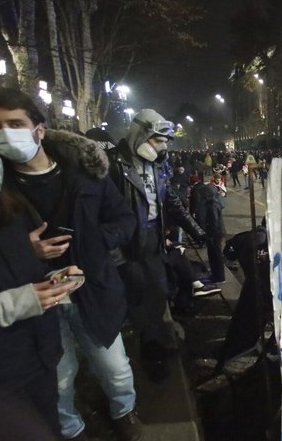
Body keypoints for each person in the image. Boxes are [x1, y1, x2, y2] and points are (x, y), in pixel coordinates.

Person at [0, 87, 140, 441]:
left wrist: (94, 242)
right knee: (58, 374)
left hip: (94, 289)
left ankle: (124, 410)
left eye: (15, 123)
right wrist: (23, 251)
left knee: (115, 366)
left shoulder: (85, 174)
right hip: (33, 301)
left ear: (39, 129)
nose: (4, 133)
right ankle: (70, 429)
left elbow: (123, 219)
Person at [107, 109, 205, 381]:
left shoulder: (158, 164)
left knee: (158, 291)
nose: (162, 146)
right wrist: (116, 253)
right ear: (141, 134)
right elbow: (102, 212)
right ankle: (152, 353)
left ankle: (160, 342)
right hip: (127, 243)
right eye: (157, 140)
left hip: (152, 238)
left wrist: (195, 230)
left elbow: (170, 201)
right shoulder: (113, 165)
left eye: (165, 141)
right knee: (141, 297)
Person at [0, 170, 84, 438]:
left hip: (38, 354)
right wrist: (5, 305)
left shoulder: (5, 208)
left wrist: (52, 280)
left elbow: (20, 271)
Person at [190, 175, 226, 284]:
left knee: (215, 255)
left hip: (214, 233)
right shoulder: (216, 201)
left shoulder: (212, 205)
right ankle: (217, 275)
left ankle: (218, 277)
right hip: (217, 232)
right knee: (215, 254)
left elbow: (213, 220)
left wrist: (209, 233)